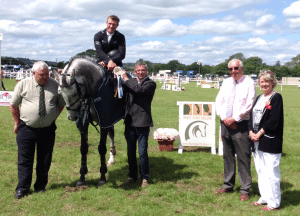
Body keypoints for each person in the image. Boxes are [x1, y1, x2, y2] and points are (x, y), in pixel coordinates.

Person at [10, 61, 65, 199]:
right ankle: (22, 188)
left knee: (45, 160)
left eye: (47, 74)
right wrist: (17, 122)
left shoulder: (55, 85)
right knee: (24, 160)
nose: (45, 77)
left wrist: (52, 118)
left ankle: (40, 186)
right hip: (26, 129)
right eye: (42, 74)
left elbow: (60, 104)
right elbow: (13, 105)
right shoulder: (23, 84)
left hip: (48, 129)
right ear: (33, 73)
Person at [215, 59, 256, 201]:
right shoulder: (226, 82)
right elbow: (219, 101)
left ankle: (245, 189)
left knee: (243, 157)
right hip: (225, 123)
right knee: (227, 156)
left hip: (241, 125)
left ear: (242, 68)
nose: (233, 71)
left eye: (236, 68)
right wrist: (225, 118)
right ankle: (228, 185)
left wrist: (235, 119)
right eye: (231, 69)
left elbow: (250, 104)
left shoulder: (249, 83)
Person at [249, 70, 283, 211]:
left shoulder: (276, 97)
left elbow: (273, 120)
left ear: (272, 83)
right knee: (261, 171)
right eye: (262, 81)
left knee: (271, 172)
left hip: (269, 140)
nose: (264, 84)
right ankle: (264, 197)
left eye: (266, 81)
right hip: (256, 141)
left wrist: (260, 133)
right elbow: (251, 116)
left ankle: (274, 203)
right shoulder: (258, 98)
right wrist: (251, 131)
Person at [118, 62, 156, 188]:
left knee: (142, 152)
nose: (140, 72)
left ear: (147, 71)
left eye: (143, 70)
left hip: (142, 121)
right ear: (135, 71)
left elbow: (138, 90)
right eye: (138, 70)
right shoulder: (132, 81)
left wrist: (125, 78)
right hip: (129, 121)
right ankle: (132, 176)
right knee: (130, 152)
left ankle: (145, 178)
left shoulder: (150, 83)